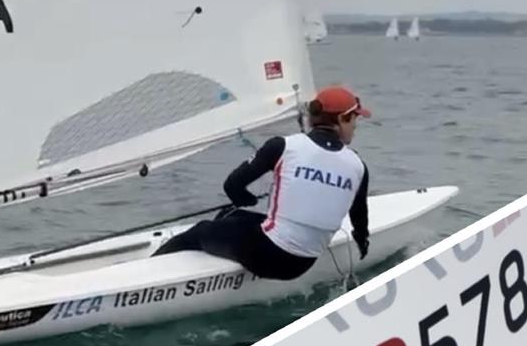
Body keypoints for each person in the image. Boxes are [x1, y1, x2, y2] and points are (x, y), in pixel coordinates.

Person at [153, 85, 370, 279]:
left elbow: (232, 186)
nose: (355, 126)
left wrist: (245, 198)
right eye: (355, 119)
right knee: (234, 216)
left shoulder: (283, 146)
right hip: (303, 264)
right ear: (342, 119)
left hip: (267, 256)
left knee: (200, 230)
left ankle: (149, 269)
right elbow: (359, 221)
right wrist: (362, 243)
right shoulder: (358, 166)